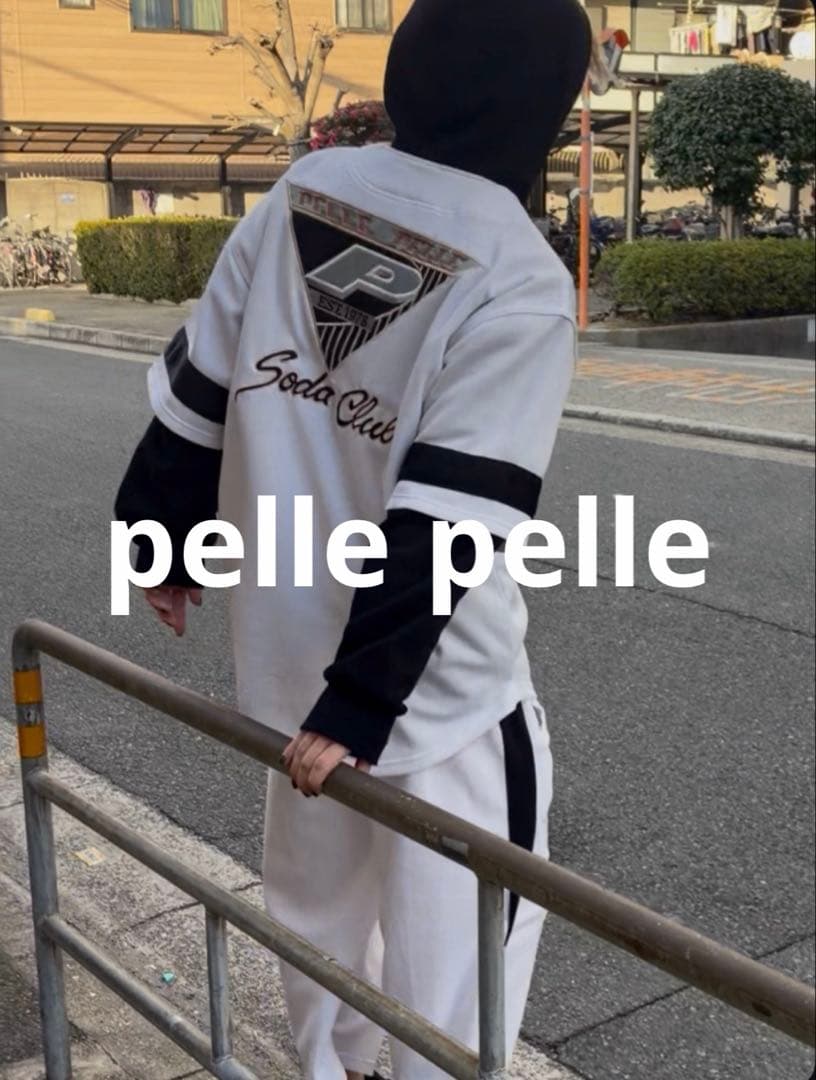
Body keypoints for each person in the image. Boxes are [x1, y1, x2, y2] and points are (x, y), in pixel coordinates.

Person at [114, 1, 591, 1076]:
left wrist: (159, 542)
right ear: (545, 111)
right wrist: (364, 704)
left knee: (317, 921)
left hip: (288, 665)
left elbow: (200, 393)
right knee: (461, 964)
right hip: (438, 700)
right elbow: (448, 517)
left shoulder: (305, 191)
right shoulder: (518, 274)